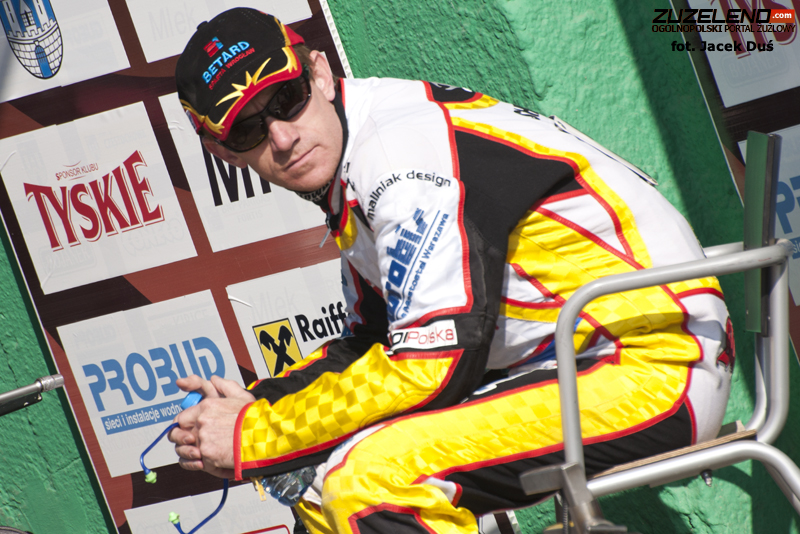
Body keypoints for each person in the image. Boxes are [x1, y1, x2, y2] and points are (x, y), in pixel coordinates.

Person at [168, 8, 735, 534]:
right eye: (248, 130)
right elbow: (371, 341)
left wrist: (256, 435)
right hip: (575, 363)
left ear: (319, 73)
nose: (283, 137)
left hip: (655, 364)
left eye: (287, 99)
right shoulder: (354, 154)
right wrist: (262, 404)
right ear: (226, 153)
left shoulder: (395, 154)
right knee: (317, 485)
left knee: (371, 483)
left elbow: (433, 366)